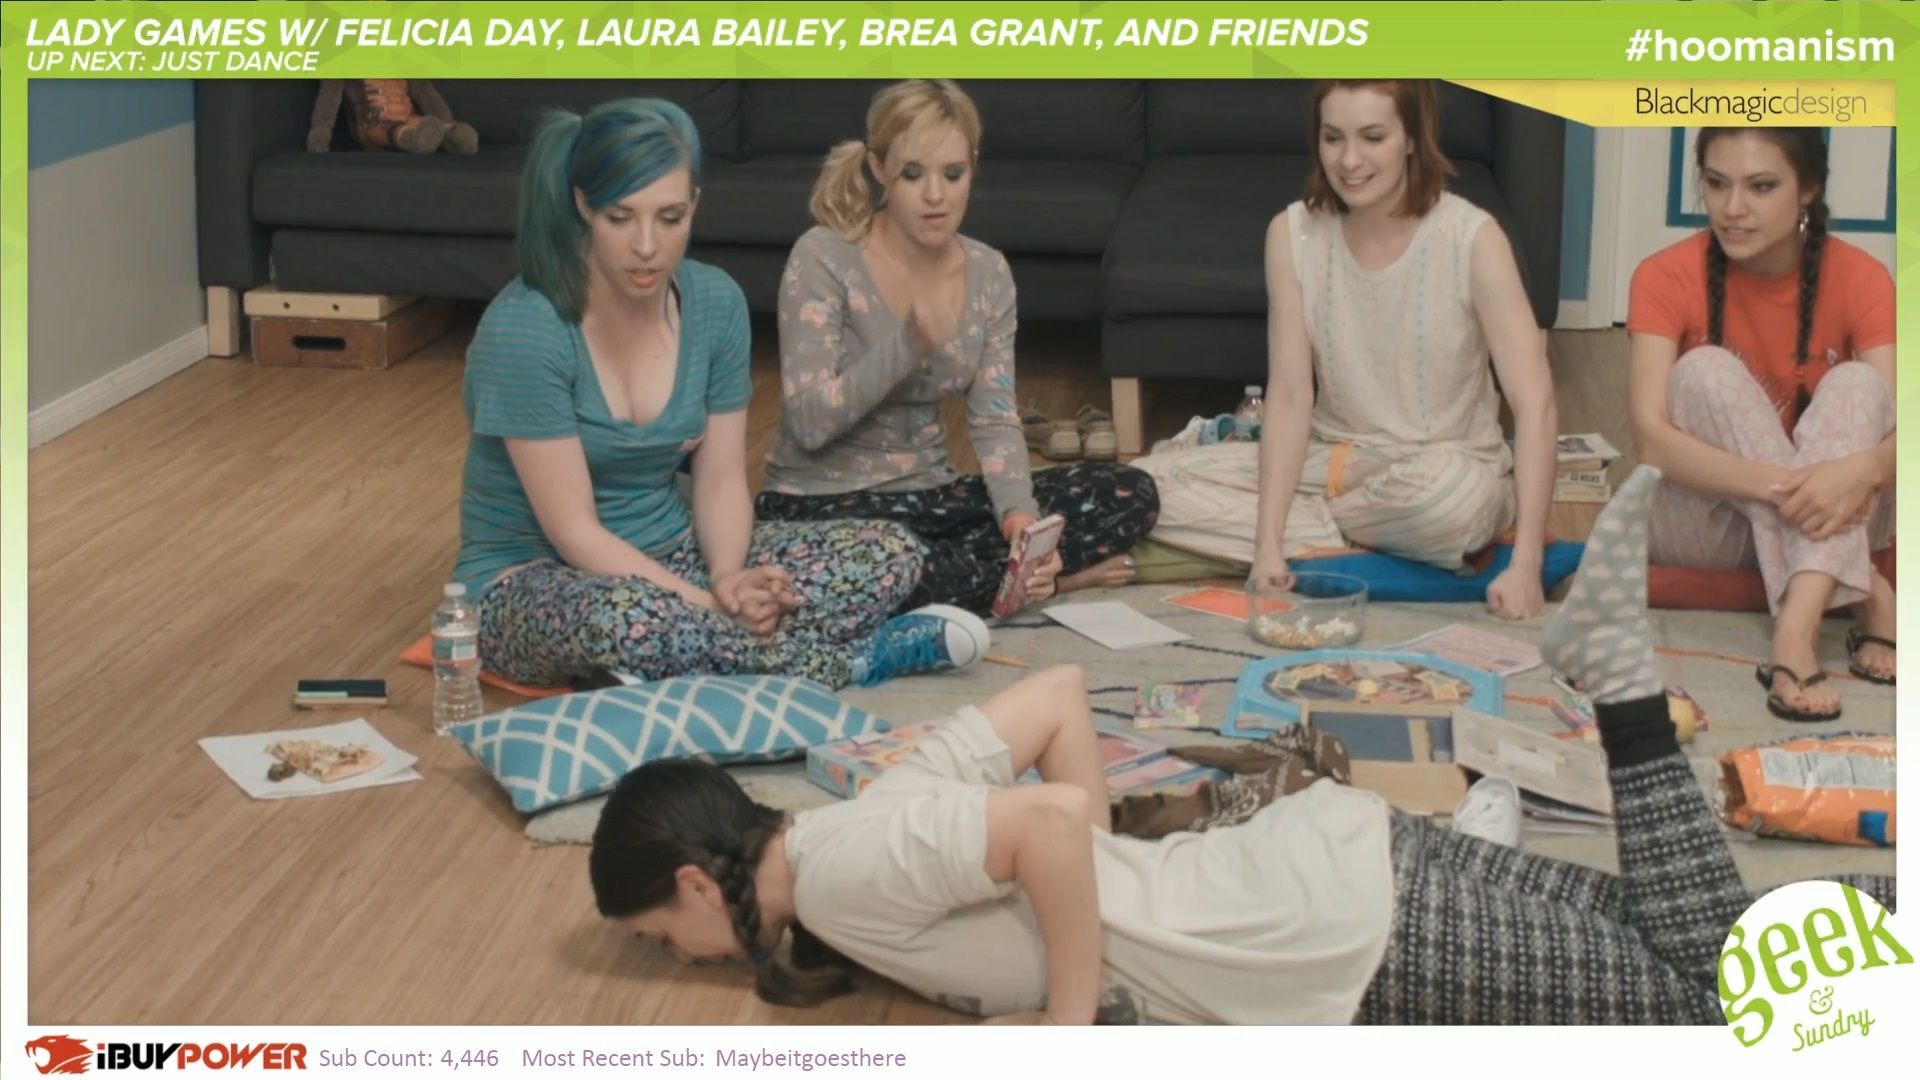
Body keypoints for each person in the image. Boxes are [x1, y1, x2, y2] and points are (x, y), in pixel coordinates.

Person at [589, 466, 1893, 1024]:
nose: (677, 955)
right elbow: (1054, 707)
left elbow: (1041, 832)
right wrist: (1113, 874)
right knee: (1716, 949)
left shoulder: (840, 878)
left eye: (660, 936)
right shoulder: (851, 827)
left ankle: (1621, 688)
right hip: (1327, 874)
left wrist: (1070, 1022)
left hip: (1337, 935)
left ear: (698, 882)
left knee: (1704, 1006)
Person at [452, 98, 992, 692]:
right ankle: (853, 661)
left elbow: (719, 480)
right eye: (620, 217)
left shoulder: (715, 303)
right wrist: (708, 605)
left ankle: (681, 662)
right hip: (532, 581)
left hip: (674, 555)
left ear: (695, 205)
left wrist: (730, 578)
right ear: (583, 204)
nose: (647, 245)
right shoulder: (526, 328)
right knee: (626, 619)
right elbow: (574, 532)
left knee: (890, 551)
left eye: (670, 217)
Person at [752, 80, 1161, 618]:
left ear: (973, 167)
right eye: (912, 174)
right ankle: (1046, 585)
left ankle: (1010, 576)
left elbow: (994, 420)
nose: (935, 196)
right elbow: (808, 423)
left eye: (953, 174)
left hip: (933, 497)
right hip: (822, 508)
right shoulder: (824, 255)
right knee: (893, 562)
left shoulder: (989, 272)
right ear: (878, 169)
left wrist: (1022, 524)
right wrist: (908, 345)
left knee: (1132, 492)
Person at [1249, 80, 1558, 621]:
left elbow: (1536, 403)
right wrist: (1265, 543)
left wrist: (1527, 564)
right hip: (1336, 461)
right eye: (1333, 138)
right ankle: (1312, 536)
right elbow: (1292, 394)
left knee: (1450, 504)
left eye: (1373, 137)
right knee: (1156, 488)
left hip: (1445, 472)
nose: (1349, 161)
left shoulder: (1473, 237)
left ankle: (1301, 529)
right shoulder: (1290, 233)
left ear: (1413, 137)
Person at [1627, 127, 1895, 723]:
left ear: (1809, 188)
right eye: (1717, 184)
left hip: (1837, 508)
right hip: (1712, 524)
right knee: (1702, 372)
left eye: (1761, 186)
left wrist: (1865, 468)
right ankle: (1870, 593)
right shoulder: (1663, 274)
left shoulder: (1864, 277)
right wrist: (1801, 488)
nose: (1733, 208)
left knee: (1860, 385)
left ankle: (1794, 628)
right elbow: (1651, 442)